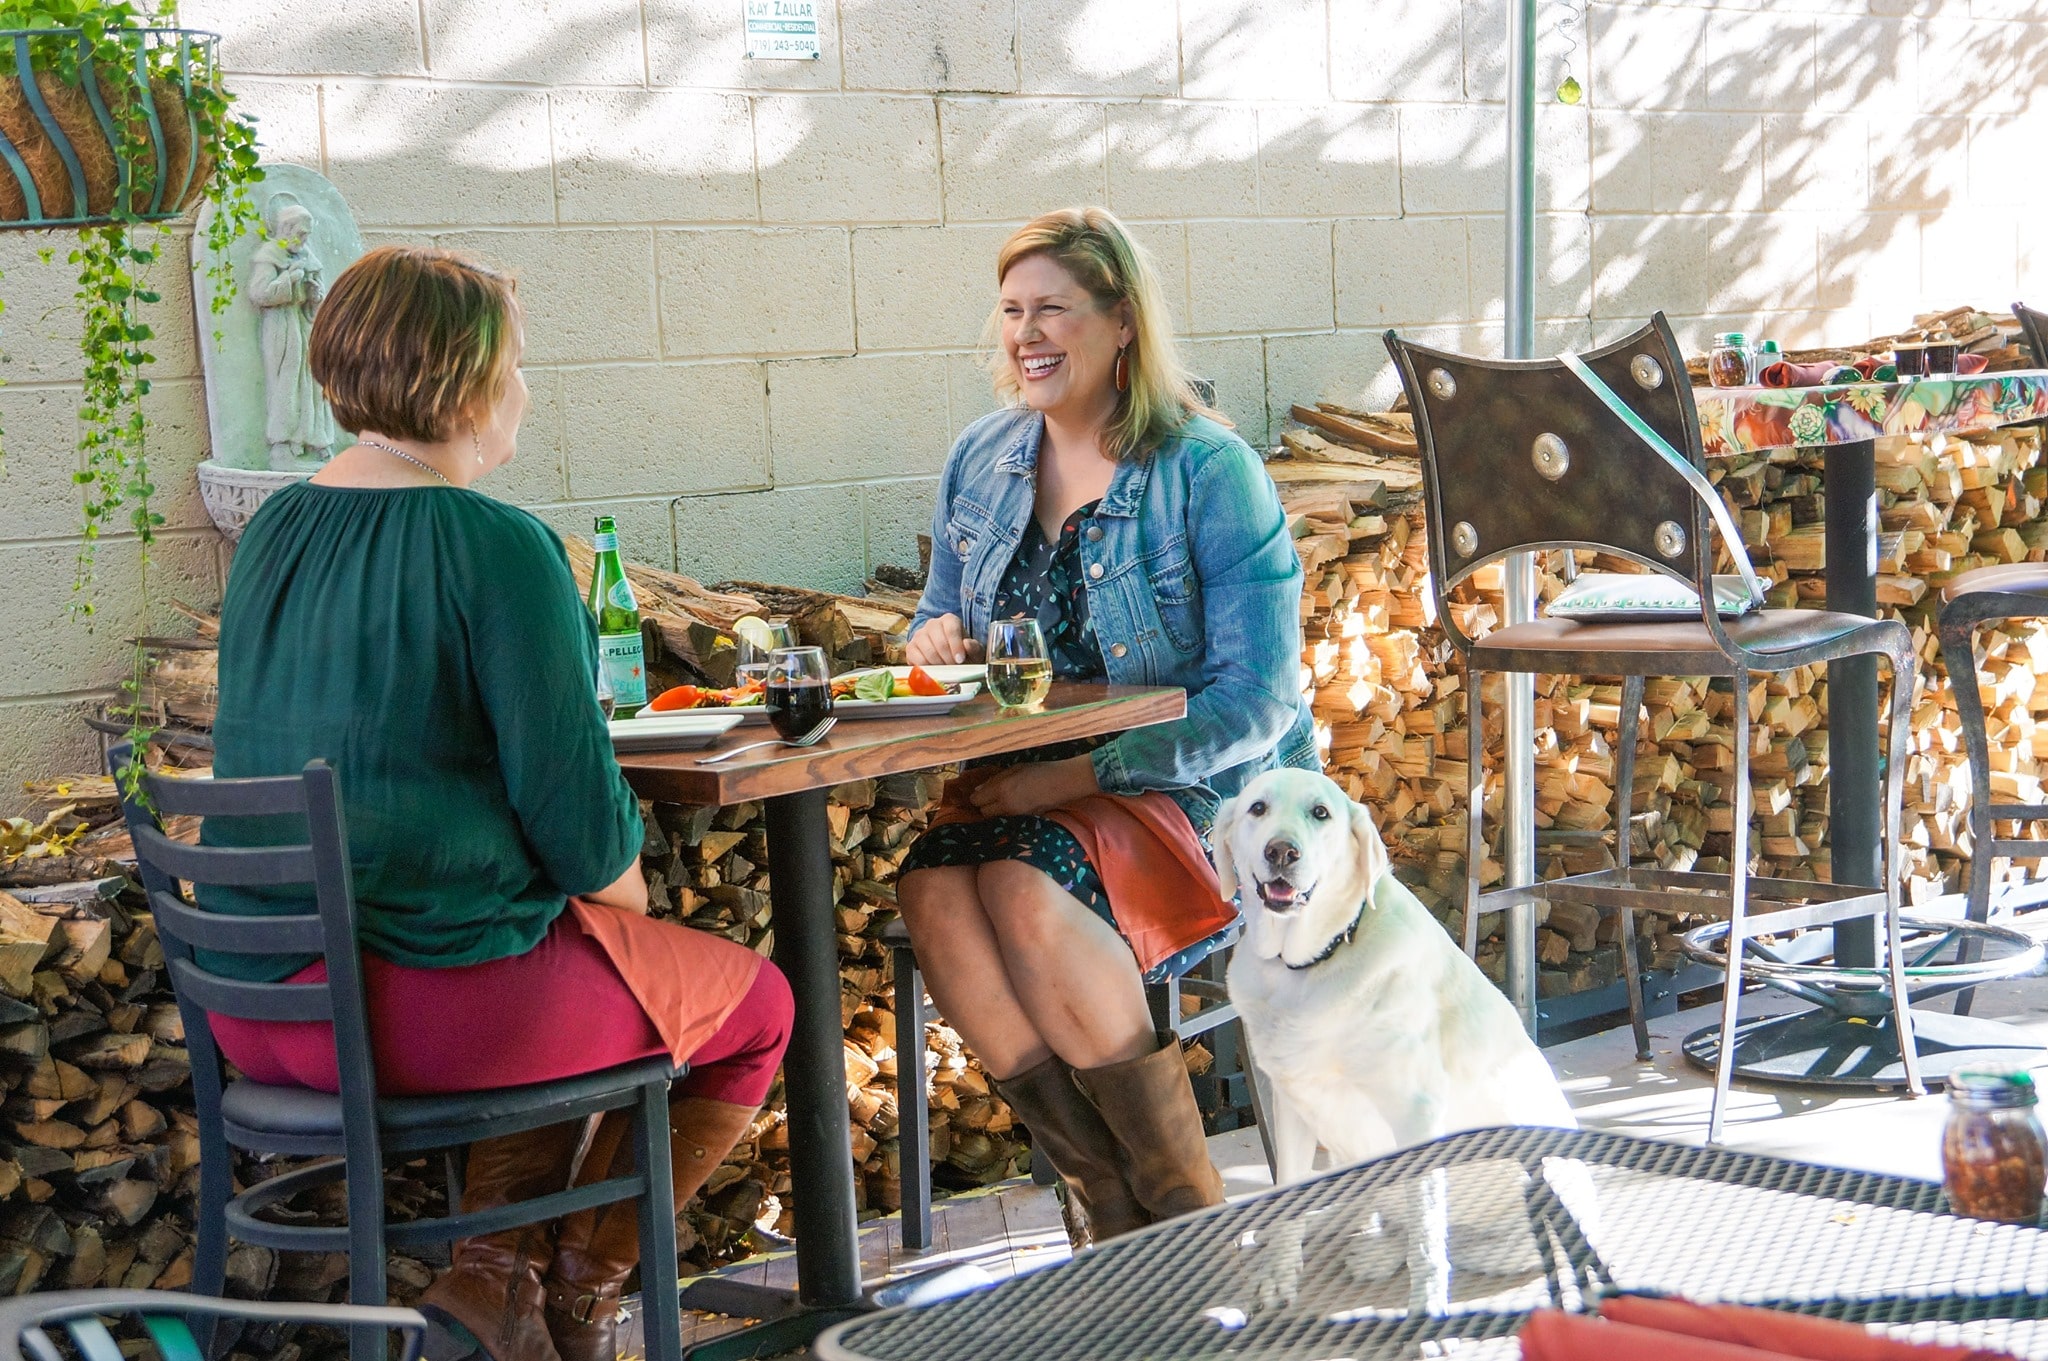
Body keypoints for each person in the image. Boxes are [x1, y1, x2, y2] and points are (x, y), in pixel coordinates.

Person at [199, 246, 792, 1361]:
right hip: (417, 1013)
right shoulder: (502, 545)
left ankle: (500, 1296)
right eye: (516, 363)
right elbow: (579, 833)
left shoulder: (275, 529)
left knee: (557, 950)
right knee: (751, 1004)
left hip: (258, 1010)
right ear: (466, 380)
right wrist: (625, 906)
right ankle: (573, 1298)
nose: (525, 387)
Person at [896, 207, 1316, 1248]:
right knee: (928, 890)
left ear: (1120, 320)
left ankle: (1182, 1221)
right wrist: (932, 636)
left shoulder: (1207, 470)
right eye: (1009, 311)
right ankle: (1114, 1208)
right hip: (1021, 780)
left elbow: (1255, 702)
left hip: (1194, 789)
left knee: (1019, 888)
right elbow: (928, 617)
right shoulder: (981, 457)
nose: (1025, 333)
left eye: (1052, 309)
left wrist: (1084, 770)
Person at [247, 192, 341, 469]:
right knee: (286, 384)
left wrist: (314, 294)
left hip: (305, 326)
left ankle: (317, 440)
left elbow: (318, 300)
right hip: (282, 327)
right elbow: (259, 294)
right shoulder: (269, 256)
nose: (303, 240)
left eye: (306, 235)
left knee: (313, 383)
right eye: (299, 234)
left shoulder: (308, 255)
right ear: (286, 229)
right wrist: (289, 278)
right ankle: (283, 445)